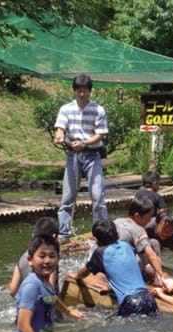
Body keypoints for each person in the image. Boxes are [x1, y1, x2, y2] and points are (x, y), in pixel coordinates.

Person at [53, 74, 109, 244]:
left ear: (90, 91)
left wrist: (84, 143)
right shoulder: (66, 109)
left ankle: (101, 232)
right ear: (74, 91)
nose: (82, 94)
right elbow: (60, 128)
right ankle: (63, 234)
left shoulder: (98, 110)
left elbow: (100, 135)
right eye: (79, 91)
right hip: (73, 156)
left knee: (98, 196)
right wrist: (60, 136)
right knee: (68, 197)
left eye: (85, 91)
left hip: (92, 155)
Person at [67, 220, 158, 317]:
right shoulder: (127, 246)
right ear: (118, 234)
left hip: (131, 303)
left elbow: (84, 272)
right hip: (149, 300)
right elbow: (124, 273)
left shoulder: (100, 252)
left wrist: (76, 275)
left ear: (96, 240)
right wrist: (111, 287)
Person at [7, 216, 84, 321]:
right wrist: (68, 310)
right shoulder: (49, 263)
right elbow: (49, 291)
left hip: (26, 314)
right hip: (49, 317)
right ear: (54, 236)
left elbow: (12, 291)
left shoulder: (23, 257)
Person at [6, 235, 63, 332]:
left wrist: (69, 311)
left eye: (52, 256)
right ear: (30, 260)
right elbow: (23, 324)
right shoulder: (31, 286)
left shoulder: (45, 282)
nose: (47, 261)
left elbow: (52, 298)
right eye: (42, 256)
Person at [114, 195, 166, 285]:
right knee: (154, 243)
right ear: (137, 216)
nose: (150, 220)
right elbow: (151, 255)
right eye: (149, 217)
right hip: (124, 270)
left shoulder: (118, 221)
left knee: (149, 243)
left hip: (110, 262)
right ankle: (157, 277)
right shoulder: (138, 229)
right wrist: (162, 275)